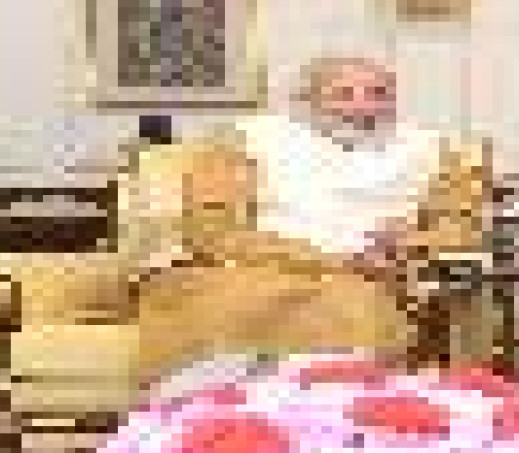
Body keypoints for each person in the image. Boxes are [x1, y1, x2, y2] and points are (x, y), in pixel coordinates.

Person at [121, 55, 489, 385]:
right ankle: (217, 415)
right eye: (343, 94)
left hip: (374, 276)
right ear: (306, 102)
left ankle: (324, 419)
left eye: (379, 94)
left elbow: (462, 224)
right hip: (259, 265)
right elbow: (212, 229)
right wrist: (332, 260)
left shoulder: (434, 150)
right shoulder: (246, 141)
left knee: (356, 311)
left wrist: (410, 242)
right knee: (221, 303)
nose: (364, 107)